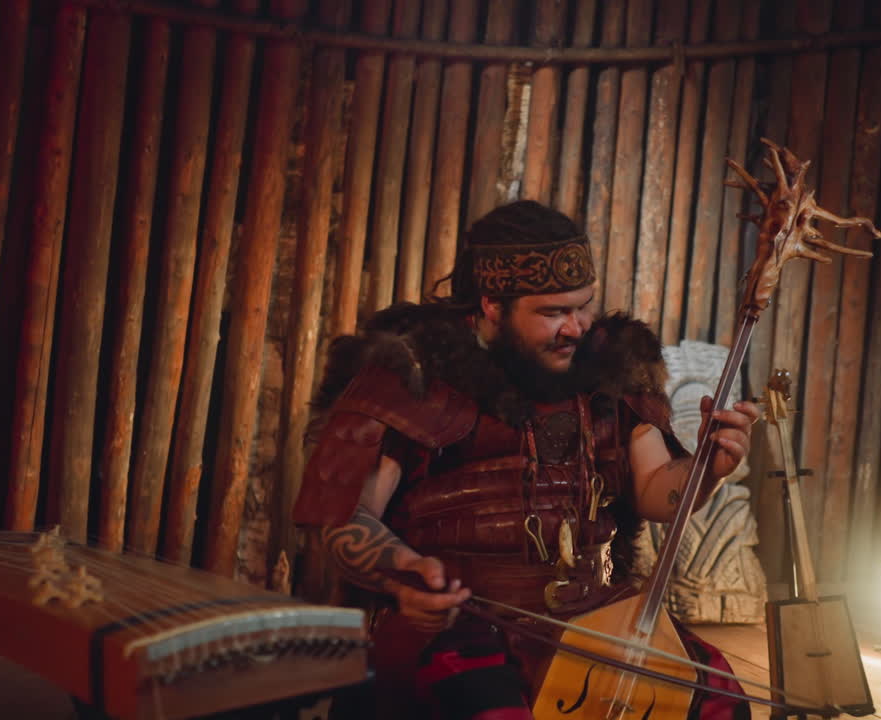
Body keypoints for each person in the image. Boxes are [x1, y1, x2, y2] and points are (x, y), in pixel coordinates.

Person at [293, 200, 761, 719]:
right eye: (553, 312)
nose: (576, 327)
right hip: (462, 626)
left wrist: (708, 470)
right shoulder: (416, 374)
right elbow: (346, 520)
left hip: (593, 616)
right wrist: (403, 568)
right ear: (492, 304)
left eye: (583, 305)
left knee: (717, 699)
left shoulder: (608, 366)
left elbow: (655, 489)